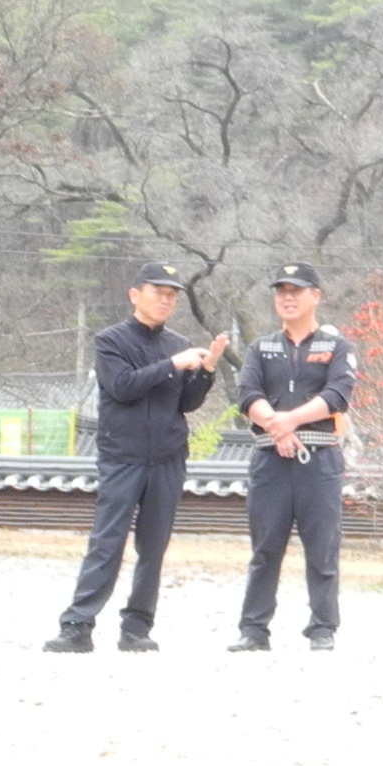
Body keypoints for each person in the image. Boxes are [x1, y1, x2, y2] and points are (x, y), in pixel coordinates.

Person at [47, 261, 228, 654]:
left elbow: (187, 403)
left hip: (167, 457)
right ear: (135, 295)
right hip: (122, 456)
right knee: (107, 541)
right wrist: (173, 364)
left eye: (172, 295)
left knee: (153, 546)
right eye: (158, 292)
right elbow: (123, 386)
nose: (165, 300)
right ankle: (77, 625)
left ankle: (137, 628)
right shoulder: (111, 340)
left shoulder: (177, 342)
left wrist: (207, 371)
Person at [233, 261, 356, 653]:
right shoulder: (260, 347)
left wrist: (289, 421)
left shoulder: (336, 347)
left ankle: (323, 628)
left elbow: (337, 395)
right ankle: (254, 630)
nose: (288, 298)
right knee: (265, 549)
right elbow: (248, 395)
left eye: (296, 291)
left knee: (322, 548)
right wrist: (277, 428)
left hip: (319, 460)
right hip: (270, 460)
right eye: (282, 292)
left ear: (315, 296)